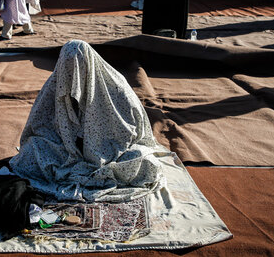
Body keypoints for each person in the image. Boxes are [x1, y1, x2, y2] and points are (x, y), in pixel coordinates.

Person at [9, 39, 167, 202]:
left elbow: (132, 128)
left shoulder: (115, 86)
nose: (74, 77)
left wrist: (99, 146)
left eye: (79, 69)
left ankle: (91, 172)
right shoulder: (55, 85)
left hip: (110, 152)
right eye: (68, 69)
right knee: (30, 152)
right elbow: (39, 123)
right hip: (65, 150)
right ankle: (81, 171)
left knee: (145, 162)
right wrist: (67, 141)